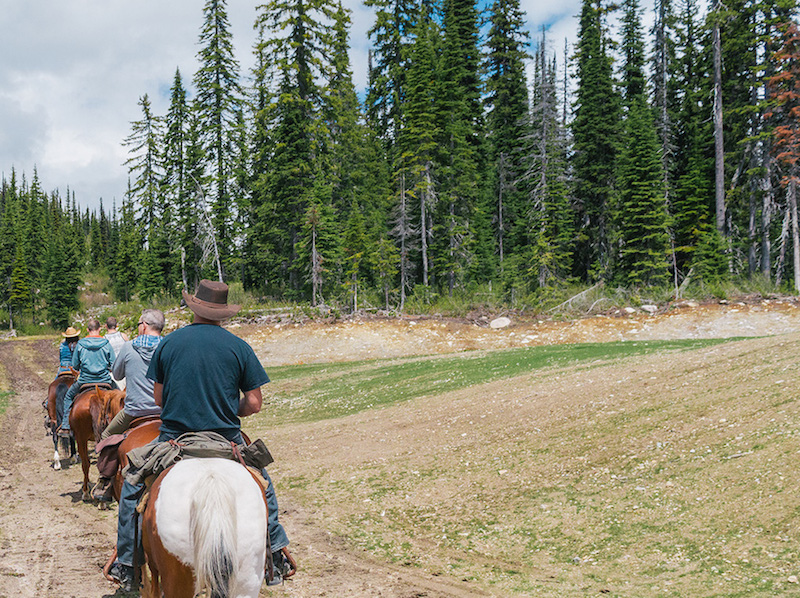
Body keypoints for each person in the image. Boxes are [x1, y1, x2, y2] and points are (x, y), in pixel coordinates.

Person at [109, 280, 293, 591]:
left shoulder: (169, 344)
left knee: (132, 484)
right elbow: (254, 403)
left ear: (194, 307)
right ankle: (276, 554)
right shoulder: (239, 347)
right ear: (222, 313)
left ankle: (127, 562)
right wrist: (227, 405)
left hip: (174, 439)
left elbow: (158, 400)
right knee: (263, 484)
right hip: (227, 440)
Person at [91, 310, 164, 502]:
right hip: (165, 412)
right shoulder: (168, 346)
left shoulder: (129, 346)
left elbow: (117, 374)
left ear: (144, 325)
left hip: (134, 412)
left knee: (107, 436)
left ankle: (105, 480)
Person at [58, 319, 116, 436]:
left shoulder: (81, 344)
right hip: (104, 381)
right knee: (120, 397)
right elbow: (113, 364)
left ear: (88, 330)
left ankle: (65, 425)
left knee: (68, 397)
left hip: (85, 381)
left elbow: (75, 365)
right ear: (100, 329)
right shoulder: (106, 343)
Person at [105, 317, 129, 390]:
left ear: (106, 326)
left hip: (112, 373)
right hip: (125, 371)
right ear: (117, 325)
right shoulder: (124, 336)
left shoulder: (104, 339)